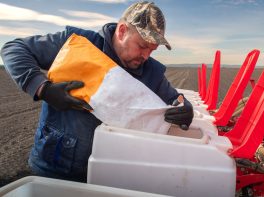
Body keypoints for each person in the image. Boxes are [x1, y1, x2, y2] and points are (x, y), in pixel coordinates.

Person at [1, 1, 194, 182]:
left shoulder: (152, 72)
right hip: (53, 166)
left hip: (110, 173)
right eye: (142, 46)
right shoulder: (77, 45)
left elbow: (175, 99)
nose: (146, 56)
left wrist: (185, 109)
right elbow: (14, 48)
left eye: (152, 50)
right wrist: (43, 88)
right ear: (122, 31)